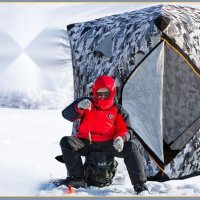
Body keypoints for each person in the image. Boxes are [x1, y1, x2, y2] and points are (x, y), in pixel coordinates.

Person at [60, 75, 148, 195]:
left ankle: (140, 186)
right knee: (67, 142)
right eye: (99, 93)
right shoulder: (86, 103)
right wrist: (78, 107)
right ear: (94, 92)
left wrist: (121, 138)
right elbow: (66, 115)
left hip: (110, 145)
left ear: (112, 92)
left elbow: (127, 129)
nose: (101, 96)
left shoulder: (118, 109)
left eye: (105, 93)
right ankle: (77, 179)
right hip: (86, 143)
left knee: (131, 147)